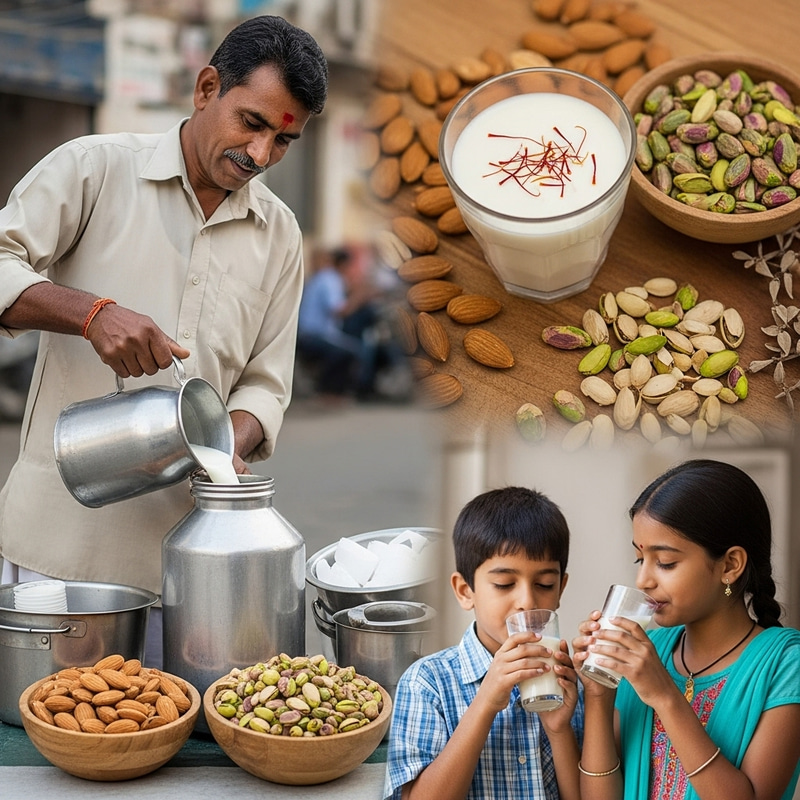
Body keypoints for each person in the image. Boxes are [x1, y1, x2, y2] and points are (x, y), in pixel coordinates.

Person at [0, 16, 328, 664]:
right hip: (55, 562)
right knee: (42, 725)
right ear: (206, 88)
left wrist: (225, 444)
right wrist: (91, 313)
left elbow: (265, 383)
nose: (261, 154)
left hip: (190, 578)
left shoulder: (281, 234)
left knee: (174, 725)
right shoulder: (95, 168)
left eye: (284, 140)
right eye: (252, 123)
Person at [572, 459, 800, 800]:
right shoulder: (644, 652)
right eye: (640, 559)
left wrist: (665, 696)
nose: (643, 580)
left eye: (665, 563)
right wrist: (598, 696)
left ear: (730, 565)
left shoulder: (787, 663)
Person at [384, 486, 583, 800]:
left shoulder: (572, 685)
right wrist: (486, 702)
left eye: (545, 584)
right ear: (465, 591)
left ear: (561, 589)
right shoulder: (428, 682)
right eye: (504, 584)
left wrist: (559, 732)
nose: (527, 601)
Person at [296, 246, 378, 399]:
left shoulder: (327, 277)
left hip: (318, 334)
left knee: (352, 346)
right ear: (344, 264)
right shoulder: (330, 279)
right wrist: (359, 298)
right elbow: (338, 311)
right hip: (313, 336)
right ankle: (328, 392)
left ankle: (335, 392)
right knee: (351, 351)